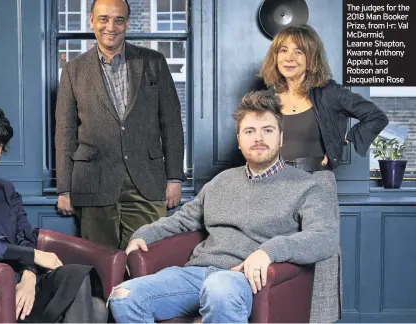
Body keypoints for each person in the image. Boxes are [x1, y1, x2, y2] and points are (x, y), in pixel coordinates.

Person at [107, 91, 340, 323]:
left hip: (247, 280)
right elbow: (181, 220)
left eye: (267, 130)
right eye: (250, 131)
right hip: (198, 273)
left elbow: (325, 238)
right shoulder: (221, 181)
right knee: (123, 297)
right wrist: (144, 235)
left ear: (280, 138)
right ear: (239, 140)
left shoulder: (306, 186)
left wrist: (269, 251)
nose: (258, 138)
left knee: (218, 288)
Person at [0, 106, 108, 323]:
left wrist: (30, 275)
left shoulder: (5, 189)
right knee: (93, 310)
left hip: (25, 279)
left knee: (80, 278)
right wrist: (33, 256)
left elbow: (25, 237)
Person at [55, 0, 186, 250]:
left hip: (147, 180)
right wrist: (64, 189)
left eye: (119, 20)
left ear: (126, 23)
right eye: (103, 19)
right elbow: (65, 133)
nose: (110, 27)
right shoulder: (73, 70)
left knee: (146, 264)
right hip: (93, 180)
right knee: (101, 265)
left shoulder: (154, 61)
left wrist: (174, 178)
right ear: (91, 21)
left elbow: (171, 123)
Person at [259, 24, 388, 172]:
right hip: (275, 180)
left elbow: (377, 117)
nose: (289, 58)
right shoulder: (267, 99)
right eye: (283, 50)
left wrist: (340, 141)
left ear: (311, 60)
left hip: (315, 181)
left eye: (298, 52)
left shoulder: (329, 93)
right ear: (275, 57)